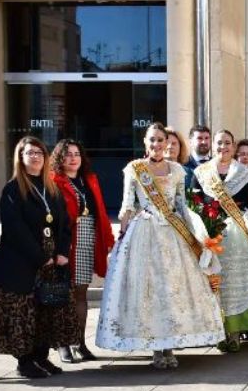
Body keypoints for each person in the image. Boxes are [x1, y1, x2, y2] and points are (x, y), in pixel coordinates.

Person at [96, 124, 225, 368]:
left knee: (171, 290)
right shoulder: (135, 169)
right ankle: (155, 347)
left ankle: (169, 344)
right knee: (150, 290)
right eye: (152, 140)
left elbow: (181, 205)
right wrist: (121, 235)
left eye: (160, 141)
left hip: (173, 232)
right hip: (144, 231)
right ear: (145, 142)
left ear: (168, 143)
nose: (156, 145)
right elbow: (127, 206)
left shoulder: (177, 170)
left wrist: (196, 235)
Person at [0, 137, 76, 379]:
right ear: (21, 158)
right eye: (29, 153)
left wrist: (62, 252)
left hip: (51, 260)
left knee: (45, 310)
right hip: (22, 262)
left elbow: (65, 224)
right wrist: (39, 256)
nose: (35, 156)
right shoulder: (13, 189)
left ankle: (41, 357)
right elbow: (15, 228)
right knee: (23, 313)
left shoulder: (52, 188)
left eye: (39, 152)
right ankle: (24, 362)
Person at [192, 129, 248, 351]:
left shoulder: (242, 173)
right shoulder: (201, 172)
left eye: (228, 143)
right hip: (211, 236)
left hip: (237, 237)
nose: (224, 147)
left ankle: (235, 332)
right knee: (213, 284)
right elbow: (194, 203)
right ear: (213, 145)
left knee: (233, 285)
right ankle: (215, 330)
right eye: (219, 143)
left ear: (233, 146)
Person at [51, 139, 114, 364]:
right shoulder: (54, 181)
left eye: (77, 153)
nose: (73, 158)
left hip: (88, 238)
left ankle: (79, 341)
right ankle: (62, 343)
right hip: (65, 241)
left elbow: (102, 212)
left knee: (80, 292)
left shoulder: (89, 179)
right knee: (63, 293)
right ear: (59, 158)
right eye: (67, 154)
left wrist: (108, 239)